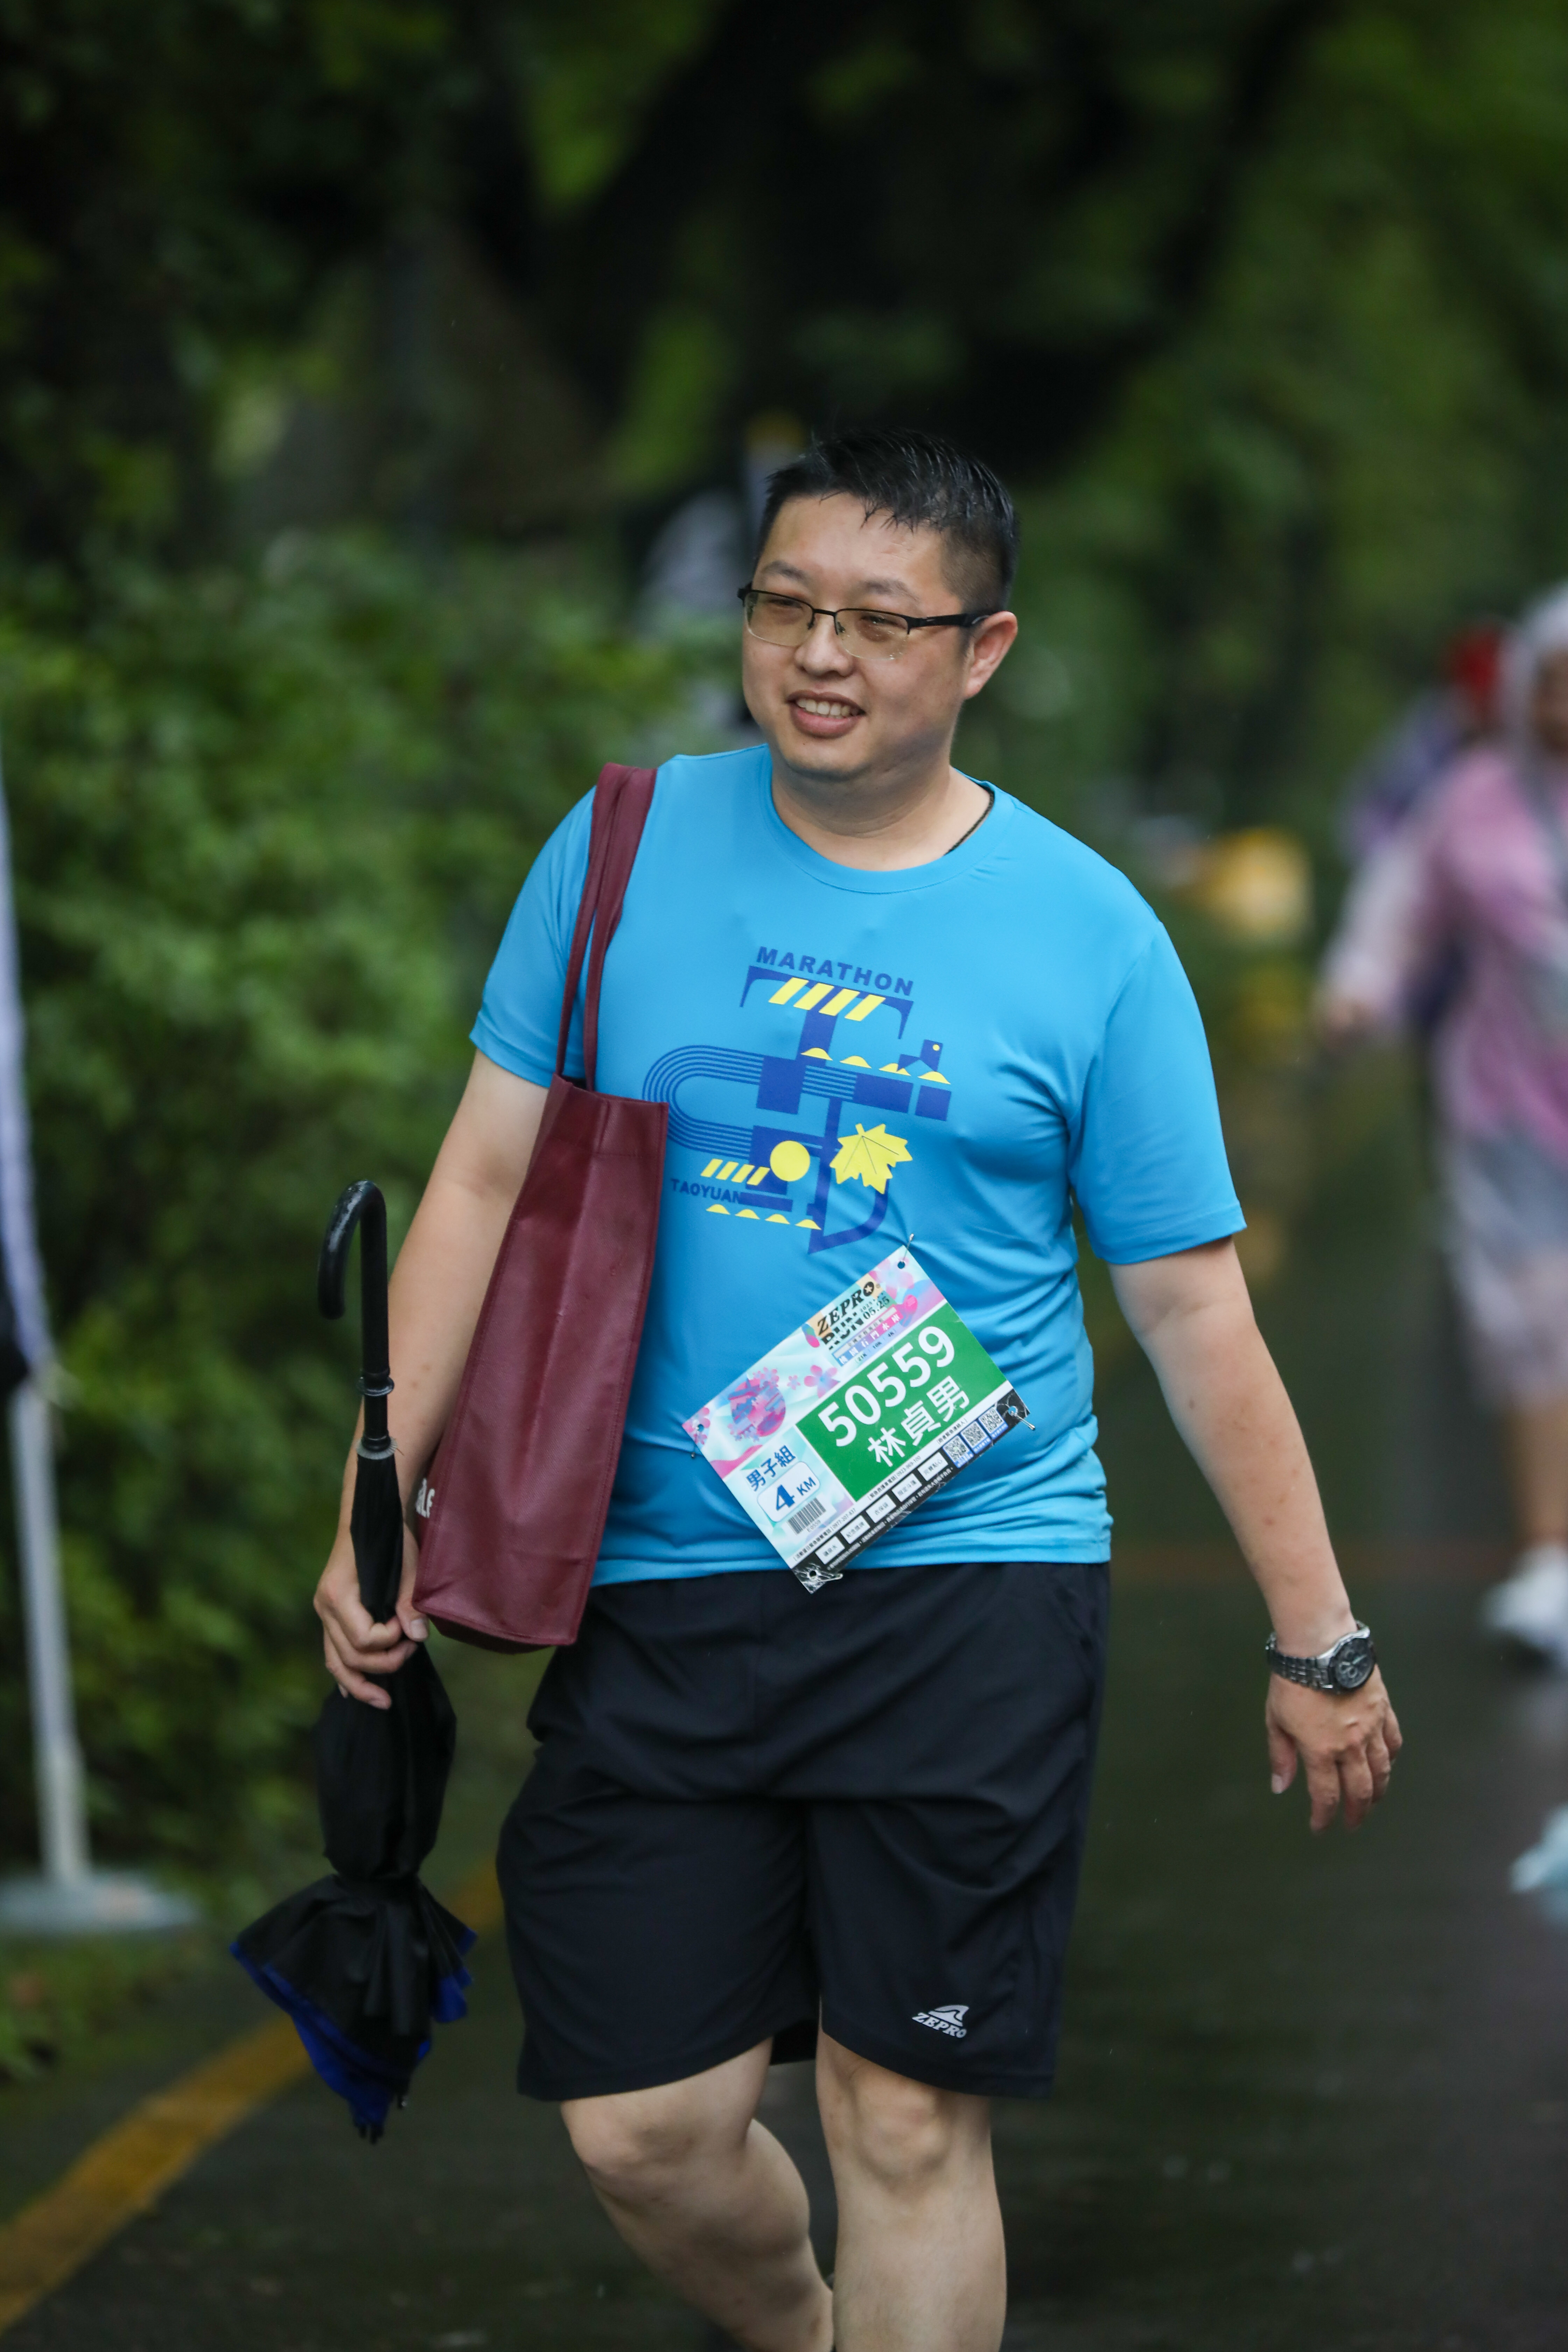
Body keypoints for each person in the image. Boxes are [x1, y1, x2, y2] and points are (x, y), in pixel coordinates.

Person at [316, 428, 1401, 2352]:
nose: (820, 654)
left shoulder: (1092, 935)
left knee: (903, 2119)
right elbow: (478, 1177)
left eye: (881, 622)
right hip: (658, 1579)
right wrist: (372, 1490)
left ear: (983, 650)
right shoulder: (622, 849)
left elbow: (1189, 1308)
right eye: (787, 606)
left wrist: (1317, 1636)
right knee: (643, 2128)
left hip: (968, 1581)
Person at [1320, 587, 1568, 1671]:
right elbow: (1400, 904)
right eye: (1551, 684)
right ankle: (1551, 1559)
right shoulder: (1474, 800)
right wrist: (1360, 991)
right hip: (1512, 1105)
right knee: (1535, 1326)